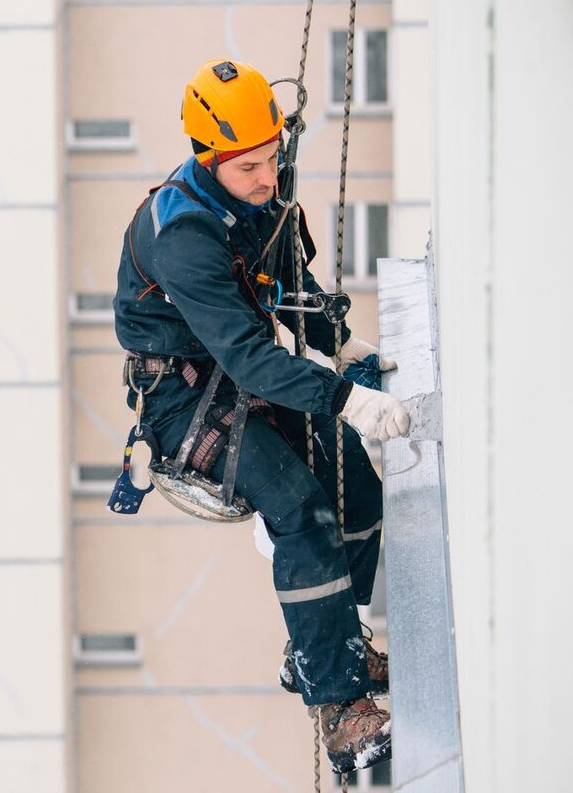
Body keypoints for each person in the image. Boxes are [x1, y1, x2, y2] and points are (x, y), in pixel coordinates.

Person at [112, 58, 409, 773]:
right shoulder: (179, 234)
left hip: (243, 369)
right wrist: (347, 397)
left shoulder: (265, 197)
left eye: (274, 158)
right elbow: (248, 356)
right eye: (250, 168)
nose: (269, 178)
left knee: (358, 490)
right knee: (302, 509)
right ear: (209, 159)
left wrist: (350, 350)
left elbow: (295, 293)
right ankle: (340, 710)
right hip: (188, 396)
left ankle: (324, 645)